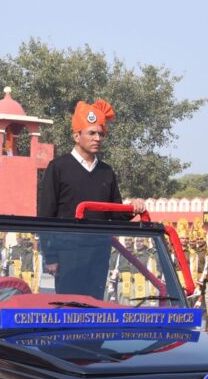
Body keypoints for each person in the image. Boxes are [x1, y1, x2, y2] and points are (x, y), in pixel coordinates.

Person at [37, 99, 144, 299]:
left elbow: (115, 214)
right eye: (92, 133)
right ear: (76, 136)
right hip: (67, 253)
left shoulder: (106, 172)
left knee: (95, 307)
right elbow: (46, 215)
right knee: (69, 307)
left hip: (98, 253)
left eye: (101, 134)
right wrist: (50, 256)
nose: (98, 138)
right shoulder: (58, 167)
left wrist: (133, 208)